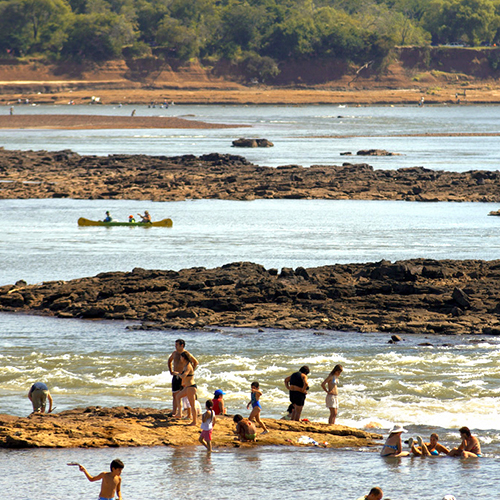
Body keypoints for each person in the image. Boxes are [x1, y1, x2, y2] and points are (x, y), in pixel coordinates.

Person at [167, 339, 199, 418]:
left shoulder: (186, 354)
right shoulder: (174, 353)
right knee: (175, 395)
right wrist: (171, 371)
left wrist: (190, 372)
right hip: (176, 376)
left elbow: (196, 362)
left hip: (183, 376)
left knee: (185, 396)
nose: (175, 346)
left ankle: (188, 414)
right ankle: (175, 412)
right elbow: (169, 361)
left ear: (182, 345)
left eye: (177, 345)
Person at [173, 352, 198, 425]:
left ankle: (194, 421)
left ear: (184, 358)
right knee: (178, 396)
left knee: (192, 405)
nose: (180, 358)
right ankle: (179, 413)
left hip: (191, 387)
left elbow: (183, 376)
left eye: (181, 357)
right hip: (187, 387)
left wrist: (177, 373)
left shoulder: (188, 366)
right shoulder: (185, 365)